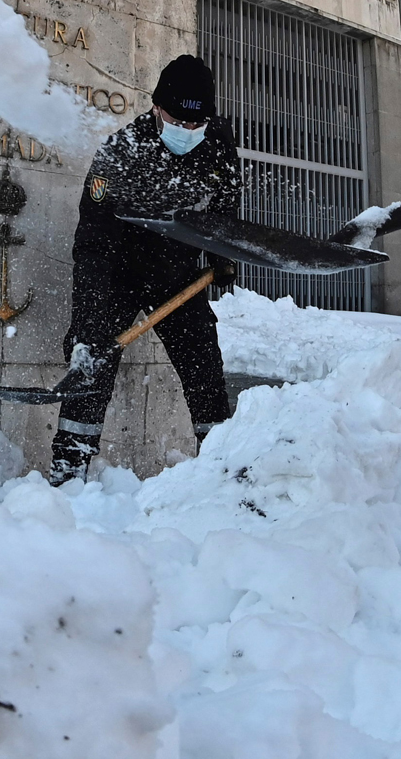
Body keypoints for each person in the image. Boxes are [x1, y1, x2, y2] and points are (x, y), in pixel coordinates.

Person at [50, 54, 240, 485]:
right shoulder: (120, 153)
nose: (188, 132)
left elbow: (225, 204)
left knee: (204, 365)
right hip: (118, 266)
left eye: (197, 125)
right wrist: (86, 328)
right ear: (156, 107)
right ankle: (67, 471)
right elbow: (93, 248)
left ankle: (223, 472)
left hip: (176, 268)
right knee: (92, 363)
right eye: (179, 122)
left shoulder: (218, 140)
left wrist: (221, 254)